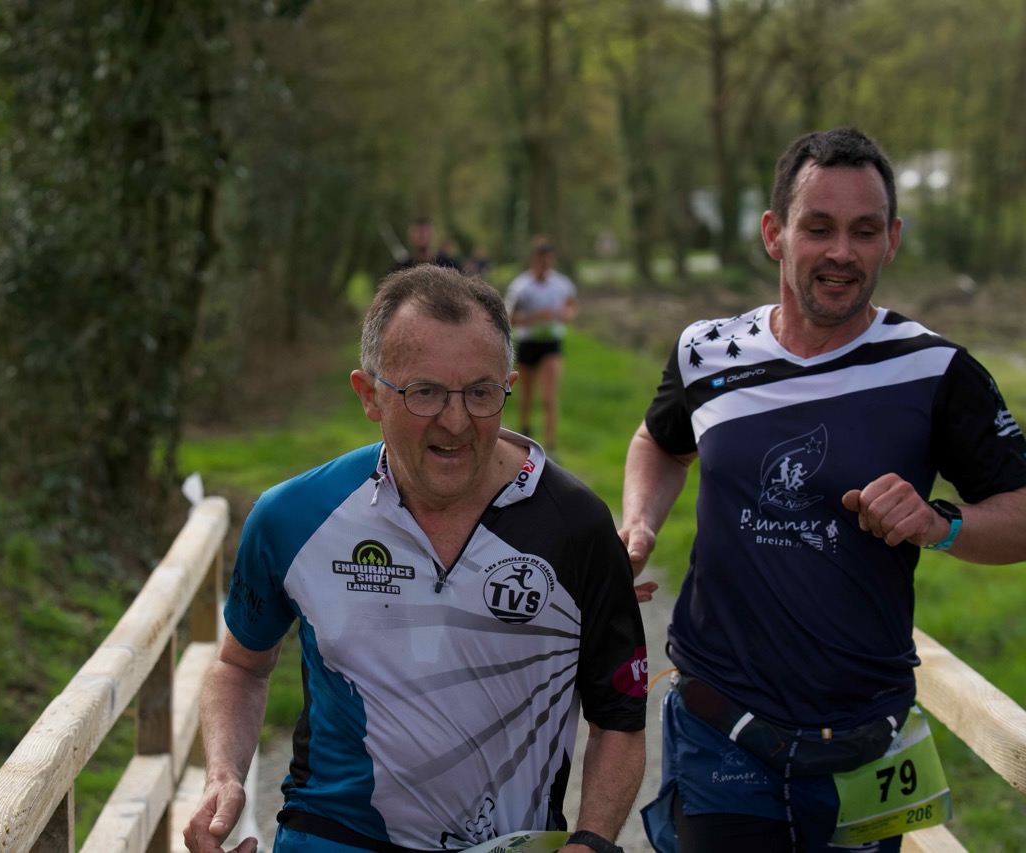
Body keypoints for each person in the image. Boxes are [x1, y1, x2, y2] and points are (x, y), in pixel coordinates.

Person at [619, 126, 1026, 853]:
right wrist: (641, 523)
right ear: (774, 234)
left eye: (864, 230)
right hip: (720, 731)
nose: (842, 251)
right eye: (819, 227)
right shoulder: (707, 352)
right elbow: (659, 442)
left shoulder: (934, 371)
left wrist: (941, 525)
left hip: (864, 747)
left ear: (891, 240)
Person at [184, 264, 648, 853]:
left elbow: (620, 718)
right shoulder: (294, 518)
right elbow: (241, 666)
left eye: (480, 393)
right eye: (424, 392)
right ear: (370, 396)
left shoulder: (576, 526)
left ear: (508, 386)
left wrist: (593, 839)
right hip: (332, 836)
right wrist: (223, 776)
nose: (456, 422)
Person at [504, 236, 578, 456]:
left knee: (548, 396)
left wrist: (563, 314)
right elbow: (509, 318)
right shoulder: (520, 287)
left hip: (551, 343)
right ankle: (524, 434)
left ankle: (551, 446)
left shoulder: (562, 284)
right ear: (534, 260)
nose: (545, 267)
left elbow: (571, 308)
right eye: (541, 262)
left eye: (549, 262)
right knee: (526, 395)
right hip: (528, 342)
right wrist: (536, 317)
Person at [391, 216, 462, 271]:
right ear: (409, 236)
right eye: (417, 232)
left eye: (425, 231)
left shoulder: (450, 265)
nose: (422, 235)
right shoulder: (400, 269)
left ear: (433, 234)